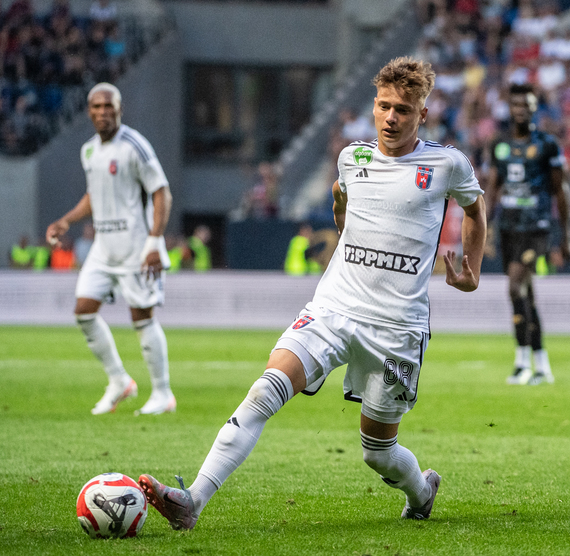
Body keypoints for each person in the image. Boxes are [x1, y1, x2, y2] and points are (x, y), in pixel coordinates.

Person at [138, 56, 487, 529]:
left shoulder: (447, 164)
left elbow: (475, 208)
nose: (390, 117)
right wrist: (342, 210)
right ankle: (192, 501)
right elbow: (347, 217)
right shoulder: (352, 158)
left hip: (397, 328)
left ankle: (421, 492)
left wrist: (472, 269)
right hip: (333, 308)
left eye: (403, 110)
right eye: (383, 106)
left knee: (377, 451)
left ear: (422, 114)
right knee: (265, 389)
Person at [45, 82, 175, 416]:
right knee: (84, 312)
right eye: (97, 106)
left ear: (120, 109)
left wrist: (154, 241)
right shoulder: (89, 151)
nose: (103, 112)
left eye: (109, 106)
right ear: (89, 112)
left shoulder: (135, 146)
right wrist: (66, 221)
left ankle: (163, 393)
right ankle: (119, 381)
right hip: (103, 247)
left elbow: (161, 192)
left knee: (142, 318)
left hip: (136, 247)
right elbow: (94, 194)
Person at [487, 83, 570, 386]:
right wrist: (485, 227)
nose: (521, 110)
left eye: (527, 105)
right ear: (509, 109)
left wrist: (566, 236)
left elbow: (560, 191)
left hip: (536, 227)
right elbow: (493, 188)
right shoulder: (499, 145)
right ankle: (542, 365)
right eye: (516, 105)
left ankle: (522, 362)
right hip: (508, 228)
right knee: (526, 295)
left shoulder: (548, 145)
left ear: (535, 108)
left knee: (514, 287)